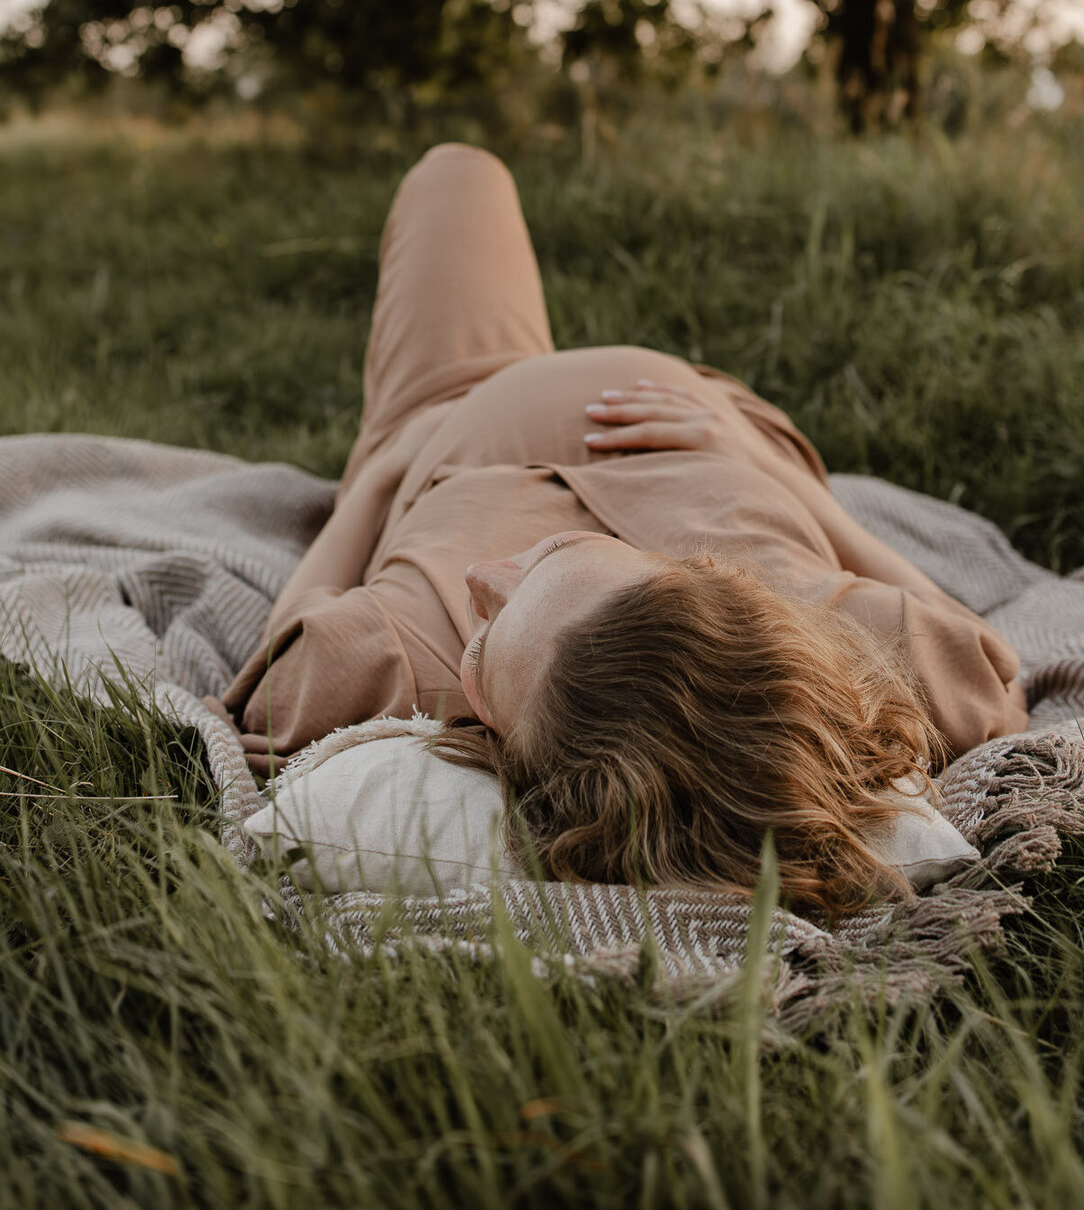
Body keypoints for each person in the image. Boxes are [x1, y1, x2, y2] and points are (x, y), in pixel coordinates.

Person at [221, 142, 1027, 918]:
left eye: (484, 640)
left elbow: (275, 664)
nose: (481, 581)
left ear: (501, 737)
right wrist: (759, 462)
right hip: (706, 415)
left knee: (455, 171)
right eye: (561, 556)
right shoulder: (867, 649)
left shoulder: (377, 659)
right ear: (707, 576)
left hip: (446, 406)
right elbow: (997, 667)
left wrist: (375, 479)